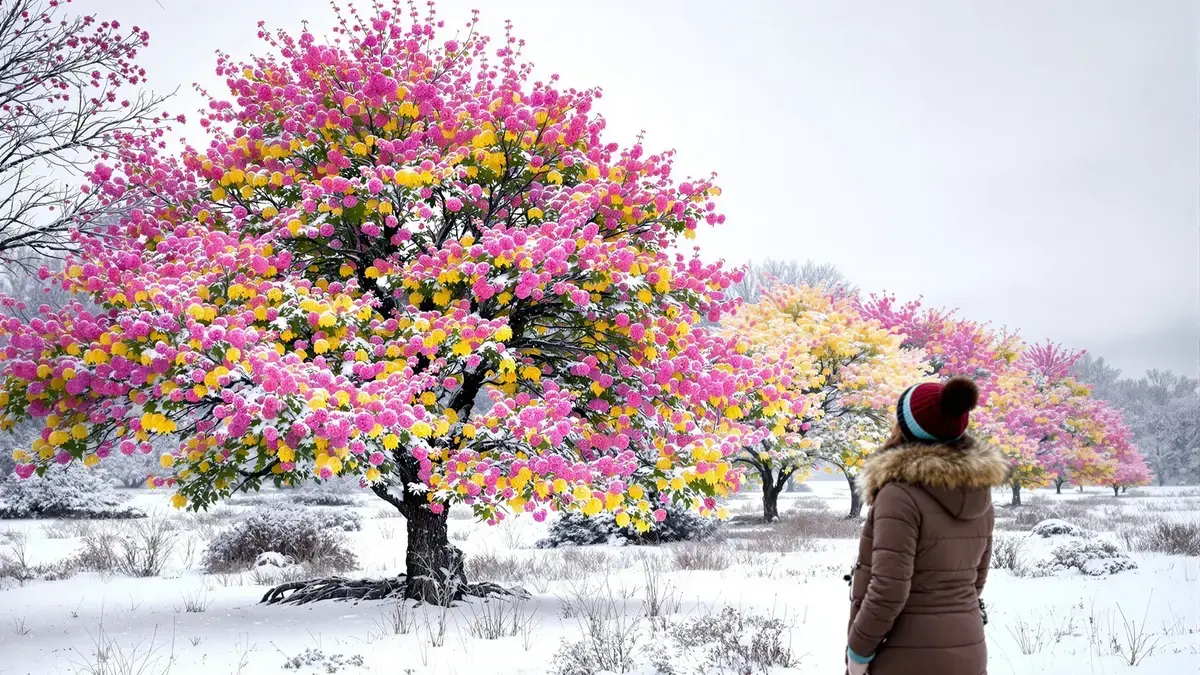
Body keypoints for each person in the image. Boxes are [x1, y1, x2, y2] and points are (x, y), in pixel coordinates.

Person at [845, 377, 1010, 675]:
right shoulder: (979, 492)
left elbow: (889, 589)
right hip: (969, 649)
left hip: (907, 655)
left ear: (907, 428)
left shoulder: (899, 495)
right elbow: (975, 582)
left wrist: (858, 652)